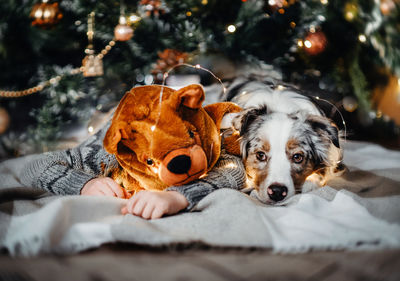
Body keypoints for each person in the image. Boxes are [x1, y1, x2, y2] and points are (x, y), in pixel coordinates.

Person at [20, 121, 246, 219]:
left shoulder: (206, 147)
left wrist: (179, 197)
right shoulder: (108, 155)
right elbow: (34, 166)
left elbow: (233, 170)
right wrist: (84, 184)